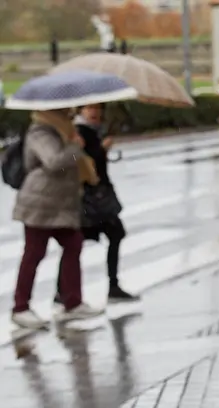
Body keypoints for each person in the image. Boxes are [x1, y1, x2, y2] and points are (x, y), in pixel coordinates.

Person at [11, 109, 104, 328]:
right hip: (40, 203)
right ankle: (20, 308)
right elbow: (53, 162)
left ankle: (72, 302)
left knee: (73, 244)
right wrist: (74, 148)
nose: (70, 113)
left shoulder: (63, 130)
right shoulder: (41, 132)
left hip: (60, 204)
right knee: (34, 252)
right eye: (66, 110)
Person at [54, 104, 138, 305]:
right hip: (86, 197)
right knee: (74, 243)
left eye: (97, 108)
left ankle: (112, 285)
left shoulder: (95, 131)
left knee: (113, 235)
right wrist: (101, 149)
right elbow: (81, 162)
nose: (94, 112)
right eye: (89, 108)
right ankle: (63, 291)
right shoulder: (78, 132)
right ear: (81, 110)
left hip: (101, 196)